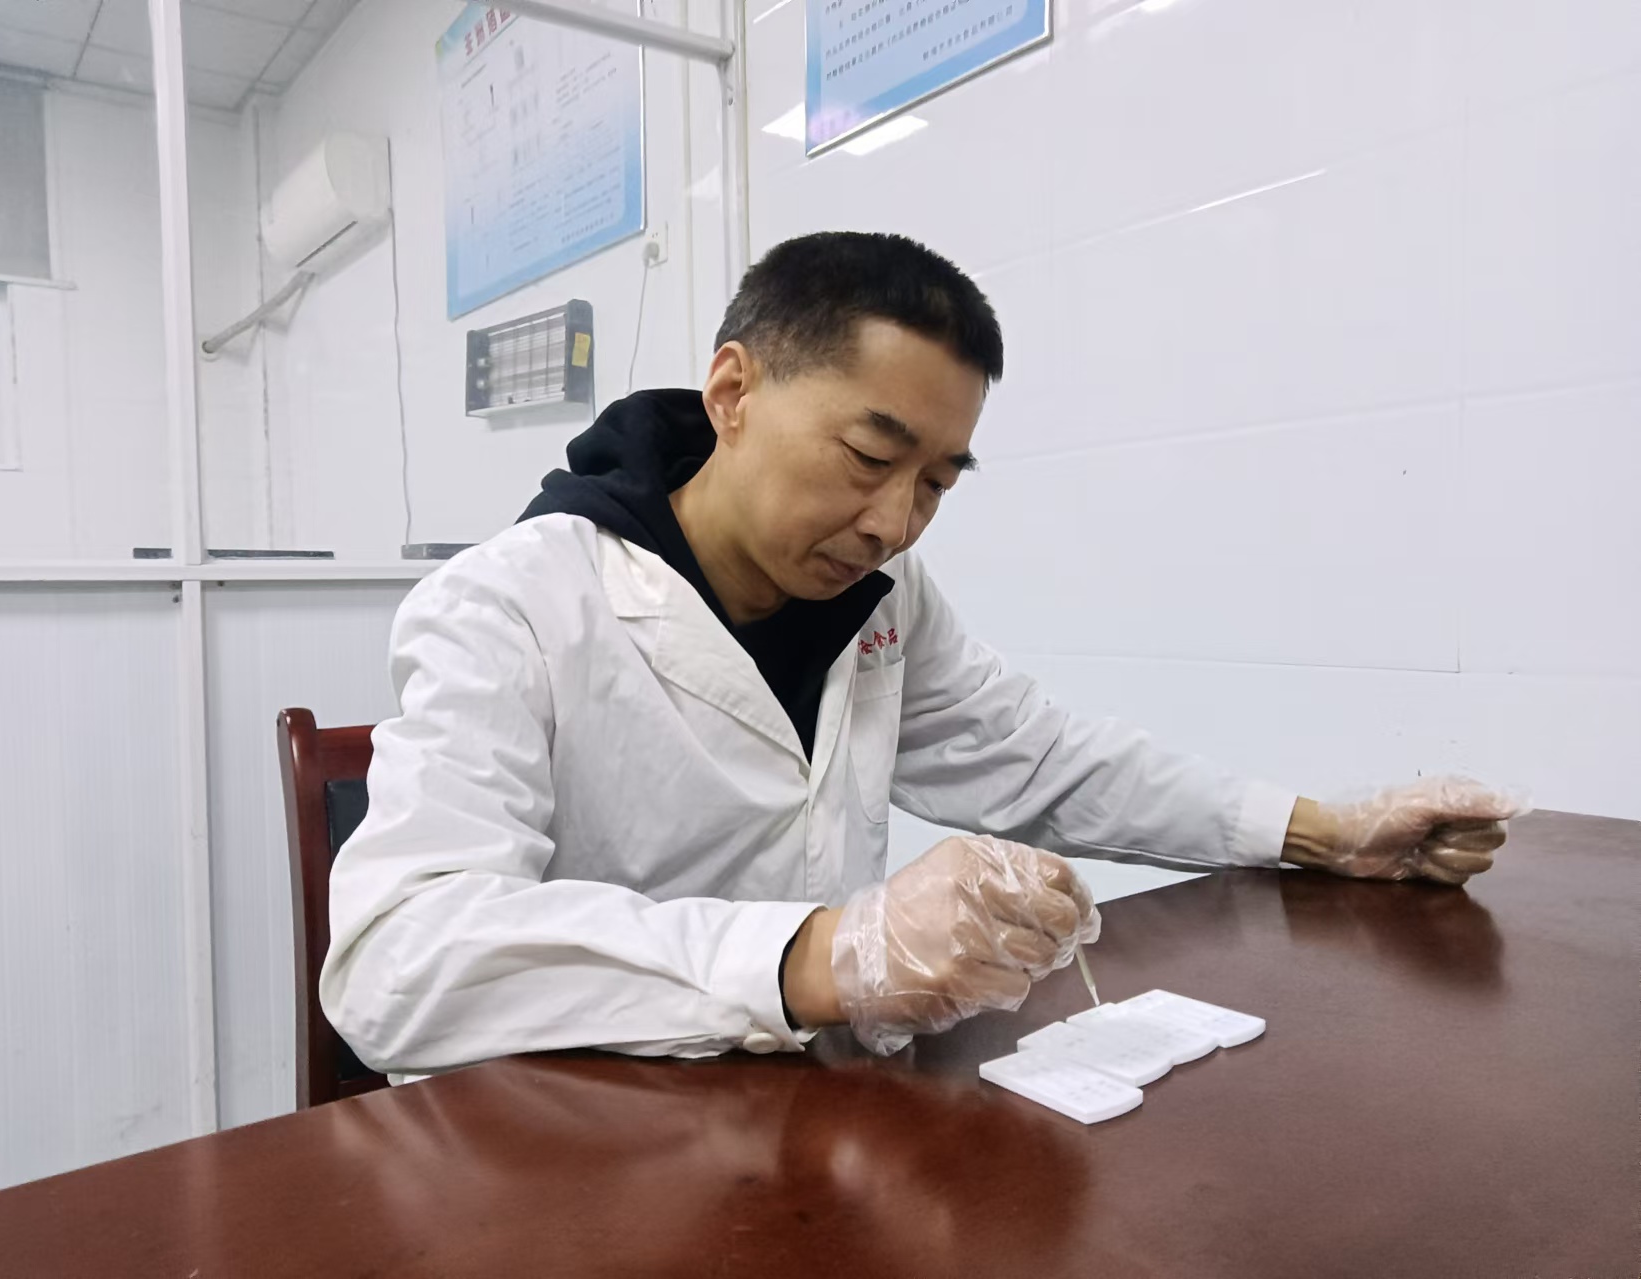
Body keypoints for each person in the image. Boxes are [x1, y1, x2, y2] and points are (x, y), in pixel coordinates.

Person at [322, 232, 1521, 1074]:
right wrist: (820, 956)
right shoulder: (510, 604)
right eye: (866, 456)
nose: (893, 522)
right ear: (733, 391)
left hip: (811, 1119)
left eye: (937, 481)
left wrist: (1324, 830)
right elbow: (395, 964)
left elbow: (1044, 761)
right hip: (565, 1145)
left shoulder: (884, 597)